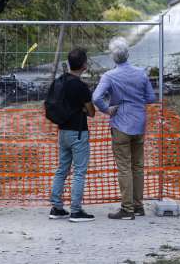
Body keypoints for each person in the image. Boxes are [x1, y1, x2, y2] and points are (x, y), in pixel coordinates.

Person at [92, 37, 156, 220]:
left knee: (124, 167)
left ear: (113, 57)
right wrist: (136, 101)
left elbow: (96, 97)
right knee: (138, 166)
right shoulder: (141, 73)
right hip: (139, 123)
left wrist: (107, 109)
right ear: (128, 54)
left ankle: (127, 209)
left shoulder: (109, 76)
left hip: (120, 123)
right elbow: (151, 98)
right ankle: (138, 205)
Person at [47, 48, 96, 222]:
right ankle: (76, 210)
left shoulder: (60, 81)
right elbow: (91, 112)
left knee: (62, 170)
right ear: (84, 65)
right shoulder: (81, 86)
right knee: (79, 172)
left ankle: (57, 207)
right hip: (78, 132)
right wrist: (82, 107)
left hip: (63, 131)